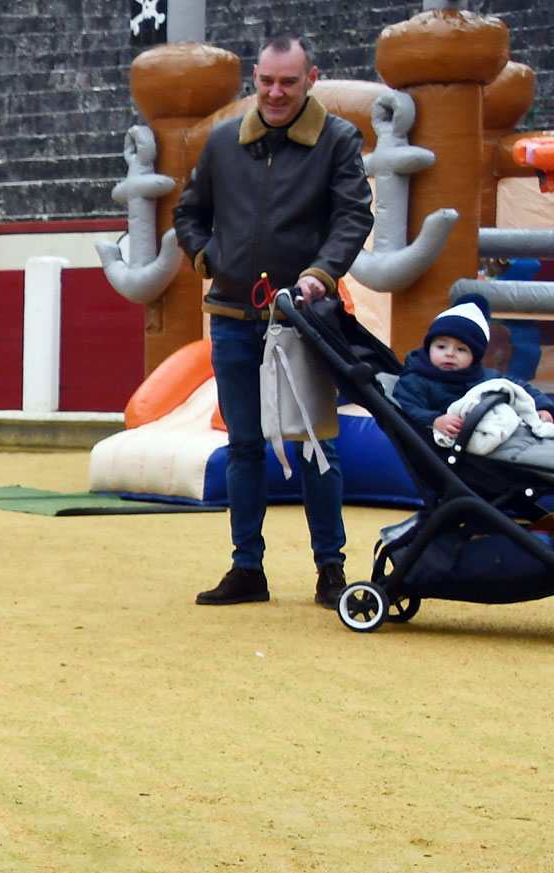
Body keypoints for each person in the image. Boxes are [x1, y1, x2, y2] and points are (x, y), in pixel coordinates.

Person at [173, 34, 373, 608]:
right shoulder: (221, 143)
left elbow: (353, 217)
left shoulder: (338, 139)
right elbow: (189, 212)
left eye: (288, 80)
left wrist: (321, 273)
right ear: (253, 79)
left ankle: (330, 571)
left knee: (316, 444)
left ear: (312, 77)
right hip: (234, 316)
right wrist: (208, 258)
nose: (276, 92)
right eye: (266, 80)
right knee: (242, 445)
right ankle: (247, 569)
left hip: (303, 319)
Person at [393, 296, 554, 435]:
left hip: (492, 435)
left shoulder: (486, 377)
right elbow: (404, 408)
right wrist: (434, 420)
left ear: (474, 357)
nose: (450, 354)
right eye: (441, 347)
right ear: (429, 348)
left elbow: (520, 389)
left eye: (461, 349)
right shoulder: (417, 378)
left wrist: (543, 407)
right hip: (440, 447)